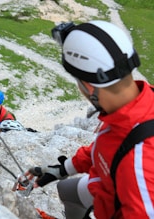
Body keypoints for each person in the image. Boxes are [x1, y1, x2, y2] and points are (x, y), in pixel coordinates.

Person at [25, 20, 154, 219]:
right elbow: (111, 146)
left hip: (119, 198)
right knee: (66, 189)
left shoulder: (136, 163)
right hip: (109, 183)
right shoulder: (136, 105)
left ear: (88, 87)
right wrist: (60, 169)